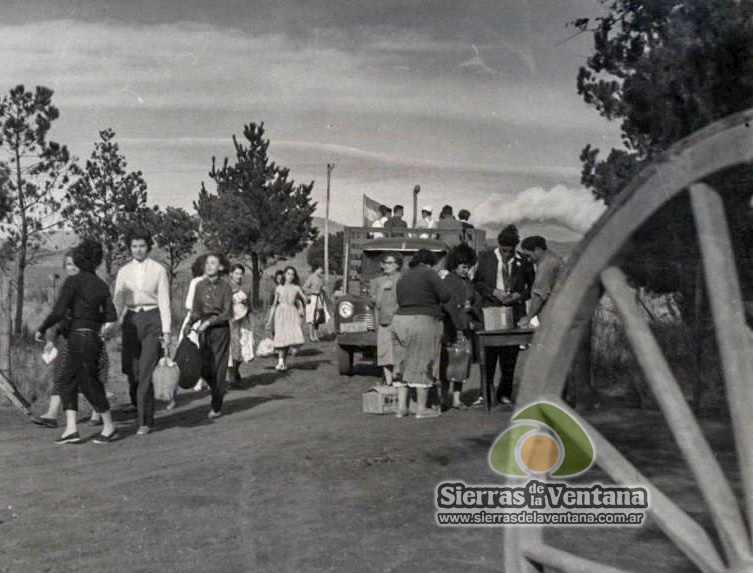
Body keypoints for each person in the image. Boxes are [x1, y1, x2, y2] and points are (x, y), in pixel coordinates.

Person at [36, 239, 118, 444]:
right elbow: (111, 314)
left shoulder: (74, 281)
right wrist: (95, 322)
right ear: (98, 261)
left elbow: (58, 312)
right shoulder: (101, 285)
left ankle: (110, 426)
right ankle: (71, 430)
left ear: (81, 258)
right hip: (91, 338)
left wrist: (42, 328)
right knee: (66, 379)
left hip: (77, 337)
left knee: (89, 383)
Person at [113, 229, 172, 436]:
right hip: (130, 321)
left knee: (146, 371)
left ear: (148, 247)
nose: (138, 250)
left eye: (142, 246)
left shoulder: (158, 270)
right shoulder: (123, 271)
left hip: (152, 320)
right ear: (130, 248)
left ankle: (144, 422)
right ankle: (144, 411)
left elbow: (164, 302)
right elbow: (118, 300)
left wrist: (166, 333)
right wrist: (110, 324)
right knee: (133, 372)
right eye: (134, 246)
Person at [473, 224, 534, 406]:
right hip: (490, 310)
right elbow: (477, 283)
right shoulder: (486, 257)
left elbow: (532, 287)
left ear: (515, 248)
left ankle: (505, 393)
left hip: (513, 311)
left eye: (510, 251)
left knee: (509, 356)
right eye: (503, 250)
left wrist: (519, 295)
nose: (506, 254)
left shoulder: (524, 261)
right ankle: (486, 393)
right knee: (489, 355)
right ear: (498, 245)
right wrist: (493, 292)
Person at [391, 249, 451, 418]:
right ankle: (421, 409)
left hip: (399, 321)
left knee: (401, 364)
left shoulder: (403, 276)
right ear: (430, 262)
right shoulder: (430, 273)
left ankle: (401, 408)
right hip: (421, 321)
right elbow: (445, 296)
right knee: (422, 362)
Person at [183, 253, 233, 419]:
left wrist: (210, 322)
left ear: (220, 267)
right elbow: (196, 310)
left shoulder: (226, 287)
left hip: (220, 331)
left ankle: (216, 405)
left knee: (218, 367)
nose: (209, 265)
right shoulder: (199, 286)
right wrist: (189, 324)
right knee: (203, 367)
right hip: (203, 331)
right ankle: (218, 389)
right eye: (207, 263)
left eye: (213, 263)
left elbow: (227, 313)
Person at [440, 243, 480, 410]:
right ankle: (444, 398)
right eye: (463, 266)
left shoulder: (467, 282)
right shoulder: (448, 281)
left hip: (465, 328)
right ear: (455, 265)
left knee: (462, 365)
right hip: (451, 328)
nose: (466, 270)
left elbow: (475, 300)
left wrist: (471, 307)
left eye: (468, 267)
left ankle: (456, 399)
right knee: (446, 364)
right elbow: (446, 305)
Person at [518, 236, 566, 328]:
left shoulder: (546, 266)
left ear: (537, 250)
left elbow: (539, 295)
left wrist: (528, 318)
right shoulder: (554, 259)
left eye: (529, 255)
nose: (528, 259)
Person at [370, 252, 403, 386]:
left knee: (400, 354)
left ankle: (399, 382)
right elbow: (376, 304)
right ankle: (389, 383)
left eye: (390, 263)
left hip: (400, 321)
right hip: (384, 322)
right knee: (384, 355)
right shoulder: (377, 281)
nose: (387, 266)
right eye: (385, 263)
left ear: (397, 265)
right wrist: (382, 289)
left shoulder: (403, 279)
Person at [266, 266, 308, 371]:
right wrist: (269, 320)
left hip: (292, 313)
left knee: (290, 337)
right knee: (281, 336)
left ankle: (284, 362)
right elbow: (274, 305)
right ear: (284, 274)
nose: (290, 276)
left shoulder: (296, 288)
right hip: (280, 313)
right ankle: (280, 362)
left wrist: (307, 299)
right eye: (288, 274)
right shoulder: (279, 288)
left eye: (293, 274)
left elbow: (304, 298)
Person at [182, 254, 209, 393]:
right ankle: (197, 379)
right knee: (196, 349)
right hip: (196, 318)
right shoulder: (196, 282)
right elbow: (188, 303)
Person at [228, 263, 254, 387]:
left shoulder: (245, 287)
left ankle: (236, 371)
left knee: (245, 344)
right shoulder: (227, 287)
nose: (239, 276)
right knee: (234, 345)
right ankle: (232, 378)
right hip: (231, 320)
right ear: (231, 274)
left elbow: (250, 304)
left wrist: (247, 306)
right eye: (236, 273)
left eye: (241, 274)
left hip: (244, 319)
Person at [303, 265, 330, 342]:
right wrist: (312, 292)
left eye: (322, 270)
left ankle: (315, 335)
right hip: (312, 299)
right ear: (316, 269)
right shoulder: (311, 277)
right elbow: (304, 287)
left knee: (318, 318)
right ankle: (311, 336)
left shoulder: (321, 278)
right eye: (320, 269)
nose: (321, 271)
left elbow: (321, 288)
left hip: (319, 299)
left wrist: (323, 289)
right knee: (311, 317)